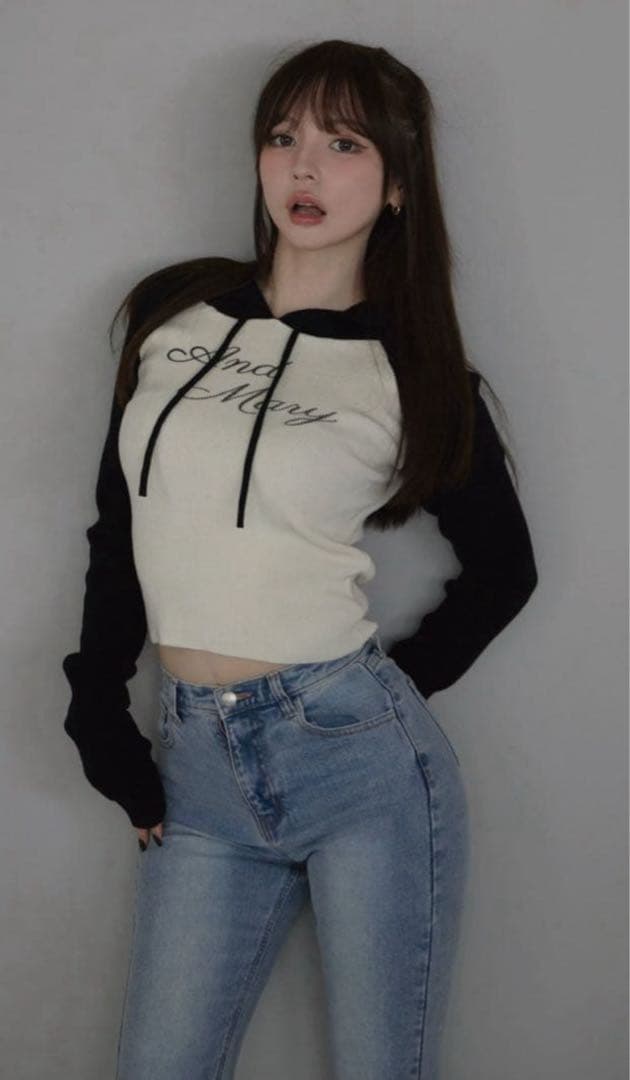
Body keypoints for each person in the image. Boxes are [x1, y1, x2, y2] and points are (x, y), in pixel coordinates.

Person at [61, 38, 538, 1080]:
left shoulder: (413, 373)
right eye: (283, 137)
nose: (305, 167)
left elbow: (506, 571)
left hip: (359, 767)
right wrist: (95, 705)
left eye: (344, 143)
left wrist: (362, 705)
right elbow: (117, 528)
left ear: (399, 183)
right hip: (196, 770)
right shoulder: (171, 314)